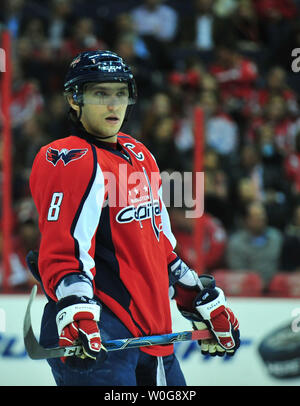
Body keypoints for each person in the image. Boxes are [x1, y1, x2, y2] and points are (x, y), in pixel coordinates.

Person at [28, 50, 240, 386]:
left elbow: (161, 247)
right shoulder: (67, 156)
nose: (113, 105)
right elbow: (63, 251)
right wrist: (74, 307)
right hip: (96, 327)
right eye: (100, 93)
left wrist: (195, 296)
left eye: (120, 93)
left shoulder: (138, 154)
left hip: (152, 332)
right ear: (74, 98)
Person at [226, 201, 283, 288]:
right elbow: (238, 271)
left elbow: (283, 265)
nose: (261, 219)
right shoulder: (236, 242)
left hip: (275, 289)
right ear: (246, 220)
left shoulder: (276, 238)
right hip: (247, 290)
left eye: (262, 215)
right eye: (256, 216)